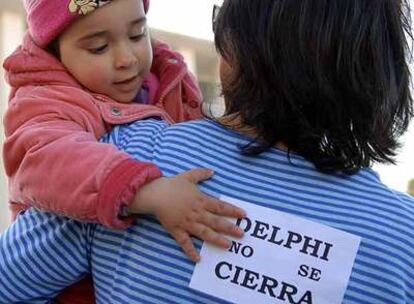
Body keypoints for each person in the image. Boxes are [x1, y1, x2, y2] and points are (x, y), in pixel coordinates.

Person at [1, 0, 414, 303]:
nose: (127, 59)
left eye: (137, 33)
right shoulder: (404, 236)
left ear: (237, 51)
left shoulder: (135, 151)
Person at [1, 0, 245, 302]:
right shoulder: (46, 99)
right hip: (76, 287)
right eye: (99, 47)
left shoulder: (170, 79)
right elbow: (45, 157)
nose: (127, 59)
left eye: (137, 34)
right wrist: (145, 190)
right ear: (55, 51)